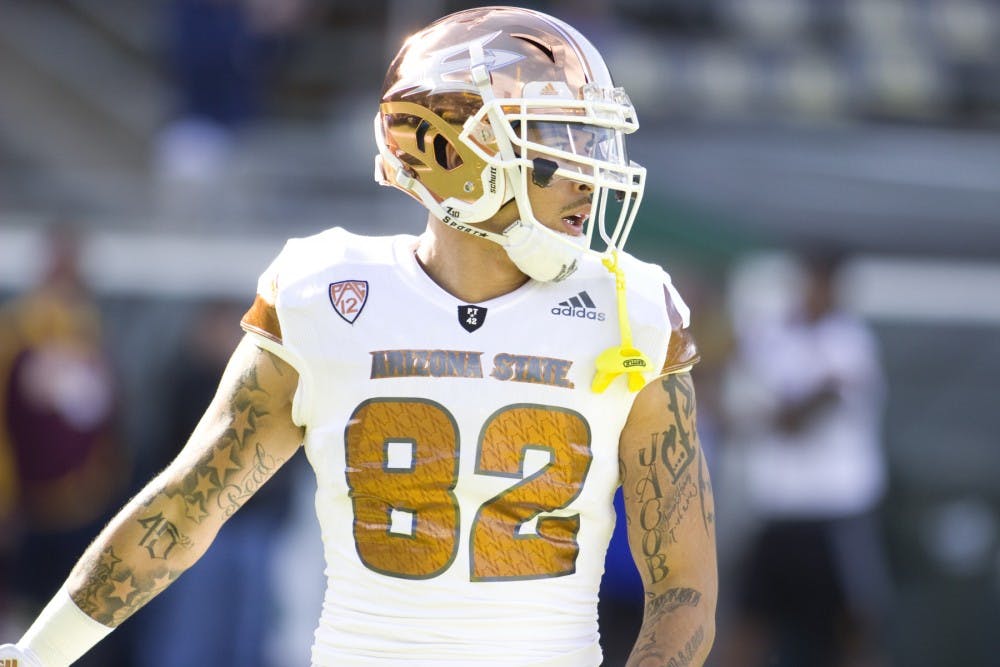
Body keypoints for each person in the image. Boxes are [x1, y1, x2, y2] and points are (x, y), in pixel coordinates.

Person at [0, 7, 717, 666]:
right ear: (445, 148)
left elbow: (683, 584)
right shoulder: (329, 292)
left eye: (591, 138)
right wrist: (37, 655)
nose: (590, 175)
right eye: (556, 137)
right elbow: (188, 505)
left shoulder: (630, 307)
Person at [719, 252, 891, 667]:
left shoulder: (849, 341)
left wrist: (768, 413)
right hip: (777, 511)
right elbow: (728, 398)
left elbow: (801, 419)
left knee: (851, 626)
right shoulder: (773, 336)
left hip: (833, 512)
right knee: (750, 621)